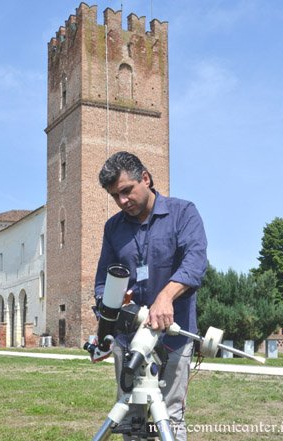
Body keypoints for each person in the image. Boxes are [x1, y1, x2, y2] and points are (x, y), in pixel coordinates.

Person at [94, 151, 208, 441]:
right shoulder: (113, 228)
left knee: (168, 416)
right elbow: (102, 283)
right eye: (115, 196)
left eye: (126, 191)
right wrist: (106, 322)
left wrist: (166, 296)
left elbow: (194, 263)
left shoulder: (183, 213)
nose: (121, 201)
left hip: (174, 338)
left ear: (145, 178)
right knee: (132, 419)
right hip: (129, 341)